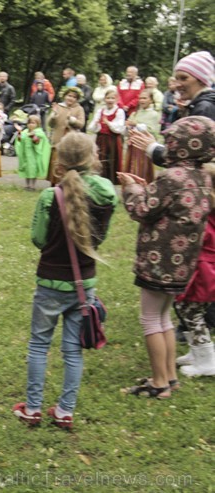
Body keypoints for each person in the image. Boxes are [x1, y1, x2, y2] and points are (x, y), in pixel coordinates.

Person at [13, 132, 117, 430]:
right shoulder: (107, 192)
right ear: (94, 157)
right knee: (72, 350)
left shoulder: (50, 196)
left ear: (58, 160)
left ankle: (32, 408)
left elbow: (39, 238)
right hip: (84, 285)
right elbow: (99, 238)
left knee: (38, 344)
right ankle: (65, 411)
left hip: (49, 283)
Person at [119, 116, 214, 399]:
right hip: (183, 264)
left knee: (150, 319)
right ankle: (169, 376)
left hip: (158, 262)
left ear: (178, 145)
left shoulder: (171, 178)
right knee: (164, 319)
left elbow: (142, 210)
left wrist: (130, 190)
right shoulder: (204, 179)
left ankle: (159, 383)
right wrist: (146, 188)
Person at [129, 51, 214, 167]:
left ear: (201, 80)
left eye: (184, 78)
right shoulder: (199, 105)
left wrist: (152, 148)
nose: (177, 85)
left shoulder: (204, 109)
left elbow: (188, 161)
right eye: (176, 79)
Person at [174, 206, 215, 377]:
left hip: (203, 267)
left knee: (191, 312)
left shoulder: (207, 211)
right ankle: (197, 352)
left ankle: (206, 361)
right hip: (205, 264)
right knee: (188, 310)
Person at [47, 87, 85, 185]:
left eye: (74, 97)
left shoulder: (79, 109)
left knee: (68, 161)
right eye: (69, 96)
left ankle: (67, 183)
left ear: (77, 99)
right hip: (58, 139)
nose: (71, 98)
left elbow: (81, 124)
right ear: (64, 96)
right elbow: (50, 124)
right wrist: (54, 115)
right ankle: (54, 182)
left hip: (71, 140)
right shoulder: (59, 107)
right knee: (56, 161)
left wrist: (72, 120)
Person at [88, 89, 125, 184]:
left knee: (112, 158)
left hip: (112, 140)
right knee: (101, 158)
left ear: (116, 100)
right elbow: (92, 127)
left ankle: (112, 179)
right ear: (104, 99)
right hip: (101, 139)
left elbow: (119, 127)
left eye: (112, 98)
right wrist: (96, 124)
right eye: (108, 98)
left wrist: (108, 123)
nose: (110, 100)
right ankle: (100, 178)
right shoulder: (100, 111)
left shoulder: (119, 111)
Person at [124, 89, 161, 183]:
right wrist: (128, 128)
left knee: (141, 170)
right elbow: (128, 127)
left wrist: (136, 124)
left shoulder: (154, 114)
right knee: (131, 167)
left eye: (145, 98)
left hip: (144, 146)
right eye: (140, 98)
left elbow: (151, 130)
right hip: (133, 145)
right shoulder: (135, 113)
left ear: (151, 100)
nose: (142, 100)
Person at [15, 115, 50, 191]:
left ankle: (32, 185)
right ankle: (27, 185)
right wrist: (19, 133)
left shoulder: (39, 132)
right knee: (27, 170)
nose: (31, 124)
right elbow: (20, 140)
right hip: (25, 155)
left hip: (33, 155)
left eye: (33, 123)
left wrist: (34, 137)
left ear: (38, 124)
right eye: (29, 122)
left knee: (33, 170)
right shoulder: (25, 132)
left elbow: (38, 142)